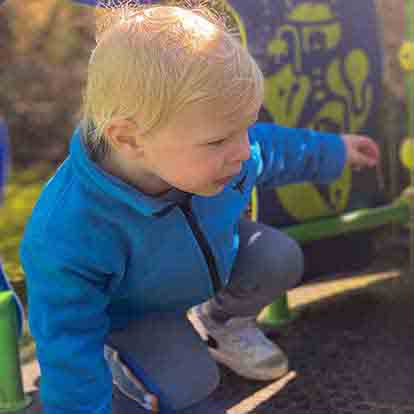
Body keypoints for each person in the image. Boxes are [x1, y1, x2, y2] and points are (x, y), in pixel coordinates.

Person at [20, 4, 380, 414]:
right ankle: (119, 364)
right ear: (130, 140)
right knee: (190, 381)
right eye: (218, 141)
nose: (243, 151)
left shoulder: (216, 148)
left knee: (276, 257)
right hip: (130, 315)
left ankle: (221, 324)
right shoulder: (68, 230)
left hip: (201, 270)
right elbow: (66, 338)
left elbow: (274, 149)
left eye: (244, 127)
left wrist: (335, 151)